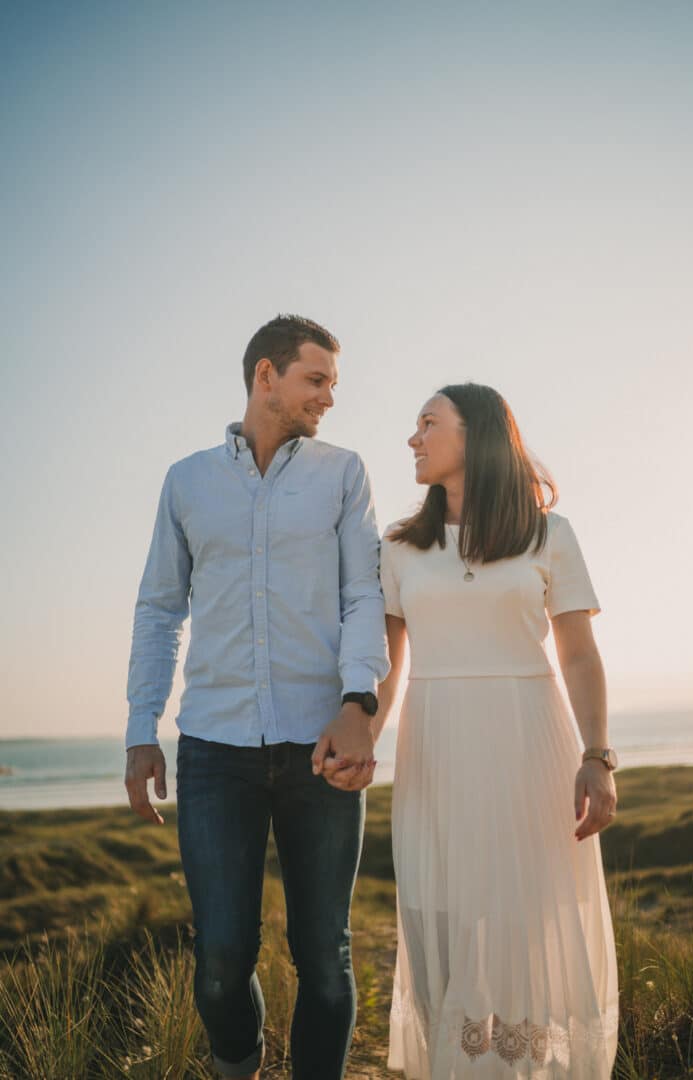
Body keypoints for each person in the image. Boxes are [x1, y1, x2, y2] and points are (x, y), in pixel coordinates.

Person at [124, 314, 388, 1080]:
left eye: (333, 383)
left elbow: (363, 596)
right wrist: (142, 727)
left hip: (322, 746)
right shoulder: (187, 481)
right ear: (265, 376)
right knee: (220, 961)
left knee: (325, 958)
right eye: (317, 379)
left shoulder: (344, 474)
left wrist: (359, 702)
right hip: (214, 750)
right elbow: (159, 609)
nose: (329, 397)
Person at [374, 383, 619, 1078]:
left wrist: (598, 756)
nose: (413, 438)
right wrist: (364, 736)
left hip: (528, 745)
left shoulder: (550, 535)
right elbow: (386, 666)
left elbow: (578, 655)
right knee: (438, 918)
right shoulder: (397, 547)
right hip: (434, 746)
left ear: (476, 435)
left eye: (428, 423)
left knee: (526, 923)